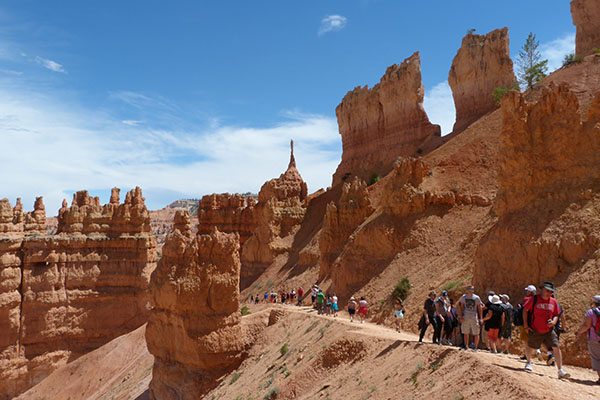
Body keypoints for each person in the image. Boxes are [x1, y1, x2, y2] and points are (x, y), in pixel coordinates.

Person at [523, 282, 570, 379]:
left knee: (556, 347)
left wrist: (553, 322)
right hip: (536, 329)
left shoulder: (553, 301)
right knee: (530, 345)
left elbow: (557, 314)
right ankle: (528, 363)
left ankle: (560, 370)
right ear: (542, 290)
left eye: (551, 291)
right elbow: (525, 311)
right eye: (547, 290)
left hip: (549, 330)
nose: (549, 293)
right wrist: (526, 325)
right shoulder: (534, 299)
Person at [576, 294, 600, 384]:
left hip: (594, 339)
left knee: (597, 358)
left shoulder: (591, 312)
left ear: (594, 302)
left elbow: (587, 326)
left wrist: (579, 332)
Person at [457, 285, 483, 351]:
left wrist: (481, 318)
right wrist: (461, 316)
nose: (471, 290)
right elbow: (461, 306)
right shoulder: (463, 297)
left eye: (472, 289)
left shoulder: (476, 298)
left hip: (474, 316)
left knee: (476, 332)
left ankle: (475, 347)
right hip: (466, 316)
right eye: (469, 289)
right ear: (467, 290)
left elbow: (479, 308)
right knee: (466, 332)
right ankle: (466, 346)